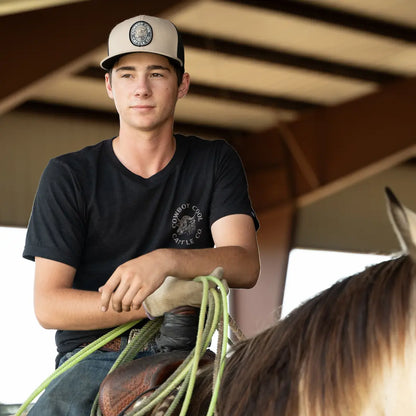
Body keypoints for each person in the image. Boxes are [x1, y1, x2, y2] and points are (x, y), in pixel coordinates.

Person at [23, 14, 260, 415]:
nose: (142, 89)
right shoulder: (69, 175)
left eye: (157, 73)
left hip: (184, 348)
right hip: (93, 357)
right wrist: (154, 302)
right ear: (109, 85)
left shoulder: (215, 161)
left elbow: (244, 263)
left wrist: (167, 261)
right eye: (128, 74)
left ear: (181, 84)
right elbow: (49, 305)